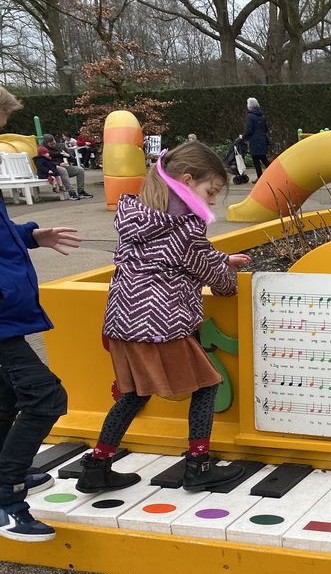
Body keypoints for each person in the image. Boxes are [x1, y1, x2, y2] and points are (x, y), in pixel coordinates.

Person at [75, 142, 251, 494]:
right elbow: (209, 273)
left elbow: (171, 257)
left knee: (136, 393)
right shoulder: (186, 226)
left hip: (123, 322)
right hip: (162, 325)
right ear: (187, 180)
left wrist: (217, 259)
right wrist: (229, 284)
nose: (213, 201)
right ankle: (198, 467)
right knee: (207, 386)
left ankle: (97, 465)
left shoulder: (138, 217)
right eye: (211, 191)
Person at [0, 86, 82, 542]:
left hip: (8, 316)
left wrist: (30, 236)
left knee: (8, 399)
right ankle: (8, 501)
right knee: (46, 397)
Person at [41, 133, 94, 199]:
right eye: (51, 144)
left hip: (63, 167)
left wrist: (68, 156)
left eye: (54, 143)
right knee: (63, 170)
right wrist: (57, 165)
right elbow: (42, 162)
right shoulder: (42, 149)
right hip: (51, 170)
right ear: (46, 143)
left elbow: (73, 160)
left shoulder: (61, 146)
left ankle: (81, 191)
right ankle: (71, 192)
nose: (54, 145)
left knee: (80, 170)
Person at [240, 97, 270, 181]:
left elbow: (250, 129)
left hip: (255, 140)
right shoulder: (262, 116)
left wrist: (243, 136)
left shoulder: (250, 116)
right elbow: (266, 129)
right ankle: (273, 172)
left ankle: (260, 177)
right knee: (263, 158)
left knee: (256, 159)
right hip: (263, 139)